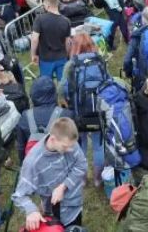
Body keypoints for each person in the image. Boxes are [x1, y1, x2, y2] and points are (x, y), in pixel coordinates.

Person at [12, 117, 87, 231]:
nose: (70, 150)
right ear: (52, 139)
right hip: (56, 213)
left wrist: (63, 186)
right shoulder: (33, 162)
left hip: (75, 204)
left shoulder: (69, 143)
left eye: (72, 146)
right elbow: (19, 195)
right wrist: (31, 210)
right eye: (65, 147)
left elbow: (82, 165)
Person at [60, 34, 107, 186]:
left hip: (78, 112)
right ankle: (98, 179)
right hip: (98, 110)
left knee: (80, 146)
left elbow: (64, 89)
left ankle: (82, 178)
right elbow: (108, 83)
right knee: (98, 146)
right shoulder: (100, 61)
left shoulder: (71, 64)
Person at [31, 0, 71, 81]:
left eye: (44, 4)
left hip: (46, 59)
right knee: (63, 83)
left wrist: (33, 54)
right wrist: (67, 55)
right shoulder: (66, 21)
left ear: (48, 5)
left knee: (46, 84)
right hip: (61, 57)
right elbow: (67, 42)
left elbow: (34, 39)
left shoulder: (39, 19)